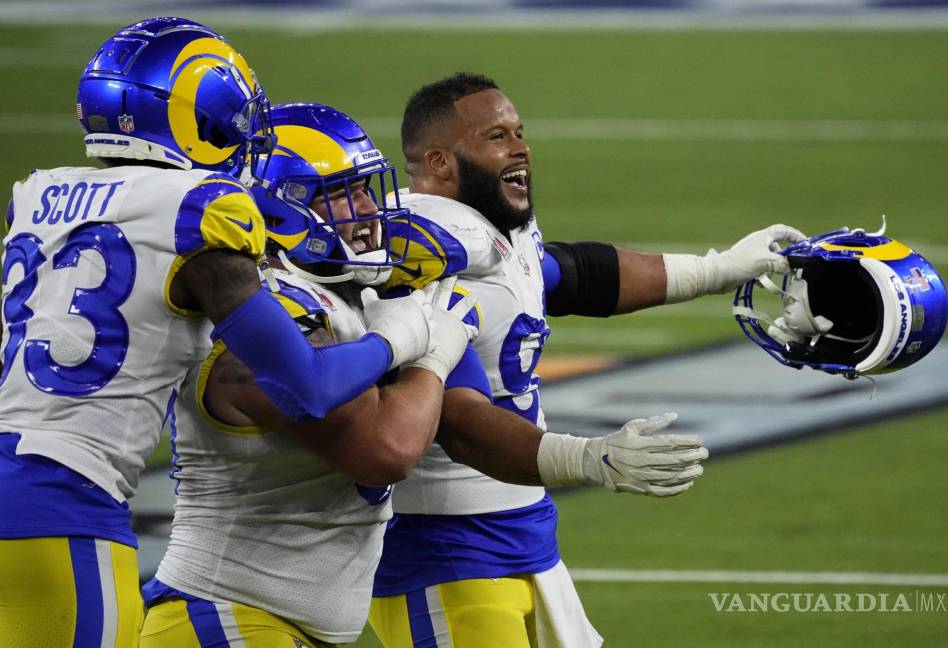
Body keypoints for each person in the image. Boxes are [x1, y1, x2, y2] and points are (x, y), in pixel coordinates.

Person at [0, 22, 442, 648]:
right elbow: (308, 387)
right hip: (62, 499)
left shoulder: (38, 196)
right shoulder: (200, 206)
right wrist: (398, 339)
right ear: (195, 116)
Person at [368, 72, 806, 648]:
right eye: (497, 136)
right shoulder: (422, 256)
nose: (521, 147)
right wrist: (587, 458)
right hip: (443, 551)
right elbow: (457, 422)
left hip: (523, 535)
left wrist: (717, 269)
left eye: (519, 131)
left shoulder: (489, 233)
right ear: (440, 162)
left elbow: (578, 274)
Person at [139, 103, 479, 647]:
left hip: (265, 625)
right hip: (226, 621)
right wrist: (429, 353)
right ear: (278, 211)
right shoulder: (272, 314)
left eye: (365, 188)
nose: (367, 210)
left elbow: (469, 422)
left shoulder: (348, 294)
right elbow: (384, 450)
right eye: (341, 193)